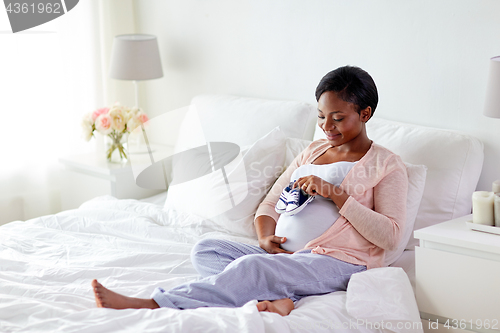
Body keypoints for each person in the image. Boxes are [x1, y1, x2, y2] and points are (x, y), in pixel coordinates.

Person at [91, 65, 408, 316]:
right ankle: (283, 295)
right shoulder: (311, 151)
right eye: (322, 117)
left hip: (340, 261)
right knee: (207, 250)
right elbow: (270, 203)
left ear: (365, 114)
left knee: (251, 267)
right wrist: (264, 237)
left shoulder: (386, 165)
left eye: (338, 119)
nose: (327, 127)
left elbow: (391, 236)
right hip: (286, 256)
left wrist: (336, 194)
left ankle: (155, 304)